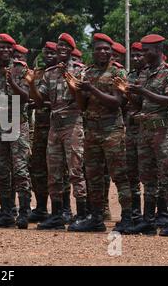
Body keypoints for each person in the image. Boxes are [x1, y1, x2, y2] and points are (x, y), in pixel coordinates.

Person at [72, 33, 133, 233]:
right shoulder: (86, 73)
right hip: (92, 131)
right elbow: (82, 106)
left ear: (112, 51)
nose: (103, 52)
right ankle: (96, 218)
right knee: (93, 176)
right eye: (99, 49)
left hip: (112, 130)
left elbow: (117, 103)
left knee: (119, 175)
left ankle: (127, 217)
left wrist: (92, 89)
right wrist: (77, 92)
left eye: (106, 49)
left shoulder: (118, 73)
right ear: (94, 51)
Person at [26, 33, 87, 231]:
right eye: (58, 45)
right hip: (54, 126)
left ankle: (82, 214)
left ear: (71, 50)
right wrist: (31, 84)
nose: (61, 48)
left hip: (72, 125)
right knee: (53, 172)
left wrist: (74, 87)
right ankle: (57, 215)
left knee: (75, 171)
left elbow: (83, 104)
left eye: (65, 46)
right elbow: (38, 100)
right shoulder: (50, 73)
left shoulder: (79, 71)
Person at [123, 34, 168, 236]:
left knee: (166, 176)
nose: (144, 53)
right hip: (144, 130)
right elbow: (140, 104)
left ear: (158, 50)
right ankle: (148, 221)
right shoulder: (144, 73)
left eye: (147, 50)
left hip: (162, 131)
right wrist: (130, 94)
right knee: (147, 177)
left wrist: (144, 92)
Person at [0, 33, 32, 229]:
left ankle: (24, 212)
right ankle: (6, 212)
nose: (4, 51)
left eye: (7, 48)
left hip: (16, 123)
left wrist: (12, 82)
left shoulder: (20, 69)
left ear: (12, 50)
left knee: (20, 169)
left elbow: (26, 97)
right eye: (0, 47)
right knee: (2, 170)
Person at [27, 41, 57, 223]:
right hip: (40, 127)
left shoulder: (63, 73)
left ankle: (61, 210)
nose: (48, 56)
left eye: (52, 52)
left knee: (57, 170)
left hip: (58, 126)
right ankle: (40, 207)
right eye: (46, 52)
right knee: (37, 168)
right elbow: (34, 97)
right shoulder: (37, 74)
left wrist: (42, 103)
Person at [120, 42, 146, 224]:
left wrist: (130, 94)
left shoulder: (152, 75)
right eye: (133, 56)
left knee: (152, 173)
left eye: (139, 55)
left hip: (149, 130)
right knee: (131, 173)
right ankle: (135, 214)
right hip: (131, 130)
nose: (136, 58)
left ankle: (159, 215)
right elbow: (125, 104)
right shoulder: (130, 76)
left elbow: (143, 103)